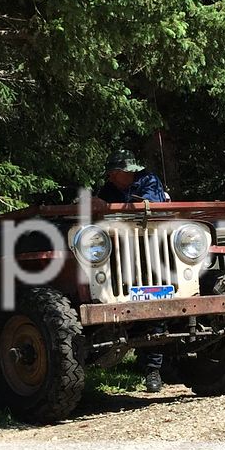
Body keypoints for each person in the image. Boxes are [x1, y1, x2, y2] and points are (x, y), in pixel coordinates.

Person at [96, 149, 169, 393]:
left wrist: (108, 207)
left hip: (153, 251)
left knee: (156, 307)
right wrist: (97, 206)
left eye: (116, 173)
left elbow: (147, 207)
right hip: (119, 257)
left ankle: (153, 370)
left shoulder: (148, 180)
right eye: (112, 174)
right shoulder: (108, 189)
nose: (112, 177)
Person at [97, 150, 169, 204]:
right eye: (109, 175)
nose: (111, 179)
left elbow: (151, 207)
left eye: (114, 174)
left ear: (129, 171)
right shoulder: (110, 187)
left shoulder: (149, 181)